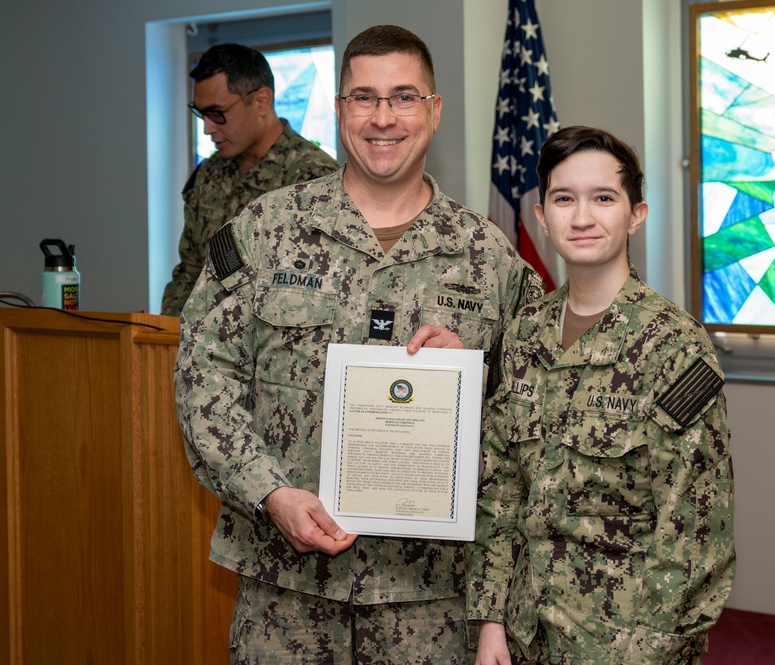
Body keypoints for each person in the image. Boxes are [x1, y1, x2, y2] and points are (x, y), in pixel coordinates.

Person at [174, 25, 543, 663]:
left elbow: (541, 407)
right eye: (363, 98)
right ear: (340, 109)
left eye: (404, 97)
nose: (383, 118)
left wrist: (478, 375)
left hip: (430, 600)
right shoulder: (266, 233)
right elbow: (203, 377)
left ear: (434, 110)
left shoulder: (488, 256)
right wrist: (270, 492)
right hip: (285, 594)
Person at [466, 126, 736, 665]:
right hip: (524, 636)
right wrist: (491, 621)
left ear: (636, 214)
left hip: (624, 645)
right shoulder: (522, 335)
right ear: (541, 216)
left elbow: (693, 529)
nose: (582, 217)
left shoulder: (674, 346)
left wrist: (645, 654)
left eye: (604, 198)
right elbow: (499, 495)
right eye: (564, 199)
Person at [160, 42, 338, 316]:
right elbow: (190, 273)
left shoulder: (312, 179)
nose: (207, 128)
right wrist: (168, 336)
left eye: (217, 114)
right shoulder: (209, 175)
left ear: (261, 101)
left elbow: (315, 291)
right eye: (201, 114)